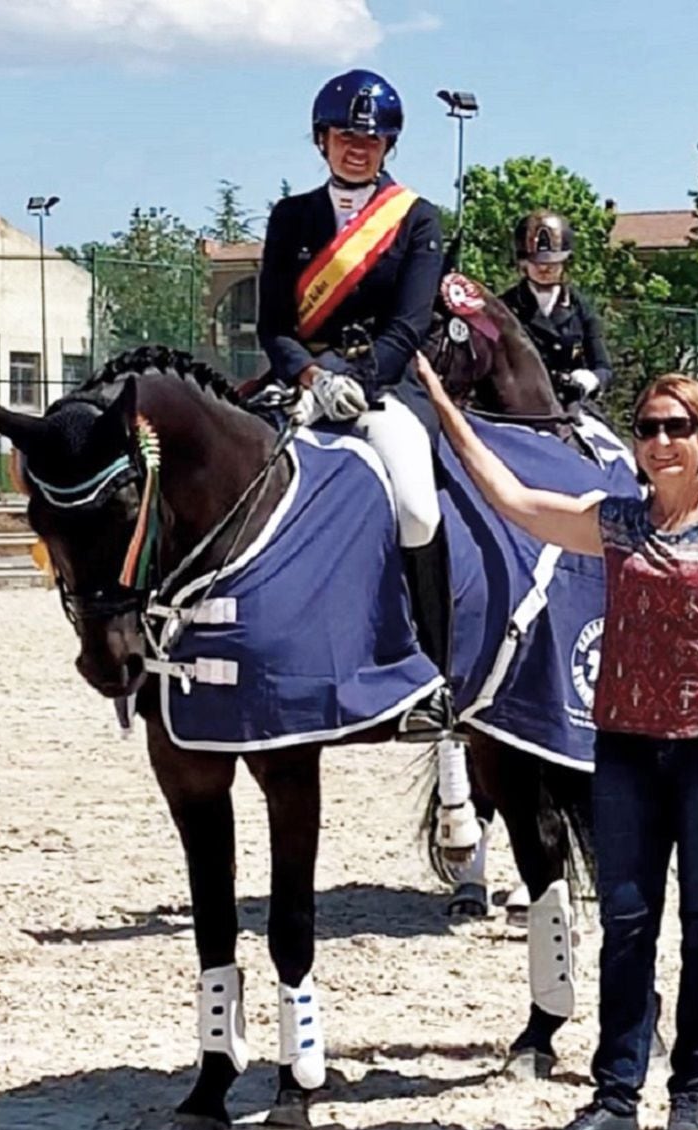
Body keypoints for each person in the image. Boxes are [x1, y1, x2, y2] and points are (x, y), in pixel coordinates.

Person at [416, 353, 698, 1130]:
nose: (660, 442)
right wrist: (446, 407)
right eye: (649, 428)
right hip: (622, 748)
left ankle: (691, 1090)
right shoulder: (619, 520)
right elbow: (517, 503)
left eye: (676, 428)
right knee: (626, 924)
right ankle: (616, 1095)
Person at [256, 68, 453, 744]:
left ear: (388, 145)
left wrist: (358, 381)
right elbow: (272, 326)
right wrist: (311, 376)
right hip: (306, 383)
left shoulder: (418, 220)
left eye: (370, 139)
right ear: (322, 140)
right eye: (345, 136)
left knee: (417, 506)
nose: (357, 148)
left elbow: (410, 325)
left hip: (385, 387)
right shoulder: (292, 217)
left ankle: (433, 672)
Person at [501, 212, 613, 411]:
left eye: (553, 263)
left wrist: (591, 379)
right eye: (536, 262)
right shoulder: (505, 307)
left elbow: (603, 366)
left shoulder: (581, 308)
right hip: (517, 407)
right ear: (523, 263)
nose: (544, 268)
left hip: (570, 404)